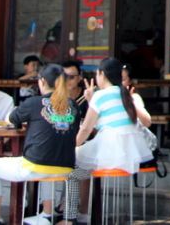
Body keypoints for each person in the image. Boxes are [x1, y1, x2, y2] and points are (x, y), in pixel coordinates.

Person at [0, 64, 80, 225]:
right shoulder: (73, 105)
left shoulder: (34, 102)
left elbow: (11, 119)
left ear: (42, 81)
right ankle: (46, 215)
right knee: (47, 164)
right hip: (66, 167)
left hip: (35, 166)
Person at [59, 58, 152, 225]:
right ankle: (83, 215)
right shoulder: (125, 94)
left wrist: (70, 147)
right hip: (130, 155)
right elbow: (147, 122)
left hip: (108, 152)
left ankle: (69, 218)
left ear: (102, 74)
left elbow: (86, 129)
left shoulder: (100, 96)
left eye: (97, 74)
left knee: (72, 172)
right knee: (84, 169)